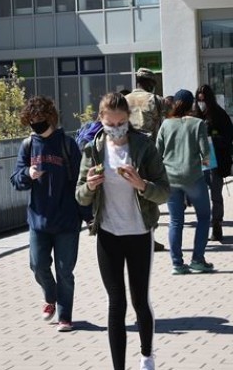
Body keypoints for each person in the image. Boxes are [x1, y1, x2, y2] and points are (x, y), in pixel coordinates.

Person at [75, 92, 169, 370]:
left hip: (139, 233)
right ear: (101, 120)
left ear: (129, 119)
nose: (117, 129)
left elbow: (164, 192)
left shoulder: (144, 147)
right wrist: (90, 186)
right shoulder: (93, 149)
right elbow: (79, 196)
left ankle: (146, 356)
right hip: (108, 234)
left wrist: (142, 185)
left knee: (140, 299)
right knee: (116, 302)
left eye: (122, 123)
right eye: (111, 123)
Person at [10, 96, 83, 333]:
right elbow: (16, 180)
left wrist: (89, 216)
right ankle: (50, 296)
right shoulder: (28, 146)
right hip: (38, 220)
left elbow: (81, 183)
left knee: (65, 270)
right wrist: (27, 175)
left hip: (67, 220)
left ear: (51, 118)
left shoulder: (68, 145)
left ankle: (65, 316)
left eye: (40, 121)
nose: (36, 126)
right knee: (37, 264)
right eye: (32, 122)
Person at [156, 89, 214, 275]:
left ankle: (177, 263)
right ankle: (197, 259)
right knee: (204, 217)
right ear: (191, 105)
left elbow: (158, 151)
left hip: (171, 177)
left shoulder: (166, 124)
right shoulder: (198, 124)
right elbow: (206, 155)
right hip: (193, 177)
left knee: (175, 221)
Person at [126, 67, 168, 252]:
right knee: (149, 194)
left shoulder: (123, 100)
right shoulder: (155, 100)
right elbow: (165, 123)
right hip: (149, 152)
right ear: (150, 83)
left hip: (127, 151)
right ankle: (148, 236)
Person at [195, 84, 233, 242]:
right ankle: (203, 224)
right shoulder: (195, 115)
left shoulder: (219, 114)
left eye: (204, 100)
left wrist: (212, 140)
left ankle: (216, 224)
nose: (201, 103)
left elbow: (228, 135)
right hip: (198, 160)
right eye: (199, 100)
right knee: (200, 194)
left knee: (216, 194)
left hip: (214, 158)